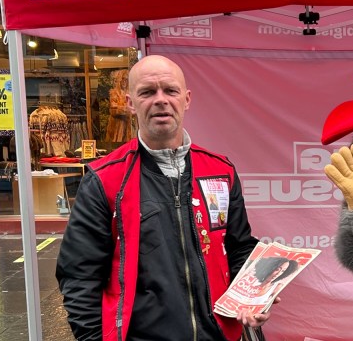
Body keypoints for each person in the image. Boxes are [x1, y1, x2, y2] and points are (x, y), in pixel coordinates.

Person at [56, 55, 267, 341]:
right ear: (131, 103)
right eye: (147, 92)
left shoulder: (220, 171)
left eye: (170, 90)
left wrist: (255, 297)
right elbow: (79, 277)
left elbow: (239, 248)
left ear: (187, 98)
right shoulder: (104, 180)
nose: (160, 100)